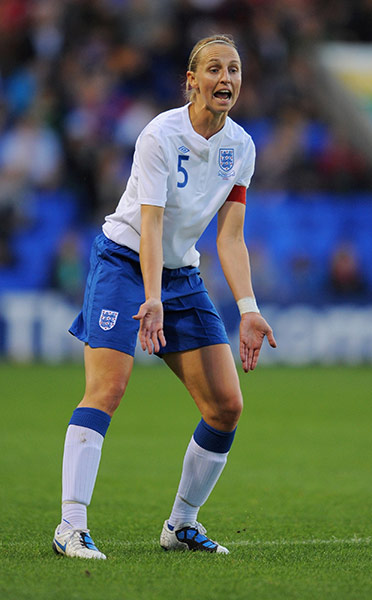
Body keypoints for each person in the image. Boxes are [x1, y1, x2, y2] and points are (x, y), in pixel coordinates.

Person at [52, 33, 277, 560]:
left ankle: (180, 524)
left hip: (180, 275)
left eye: (235, 70)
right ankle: (70, 526)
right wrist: (150, 298)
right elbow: (150, 225)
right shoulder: (159, 135)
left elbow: (230, 237)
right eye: (215, 70)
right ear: (192, 81)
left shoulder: (240, 147)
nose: (227, 79)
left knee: (226, 406)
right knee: (108, 387)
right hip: (124, 262)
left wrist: (248, 310)